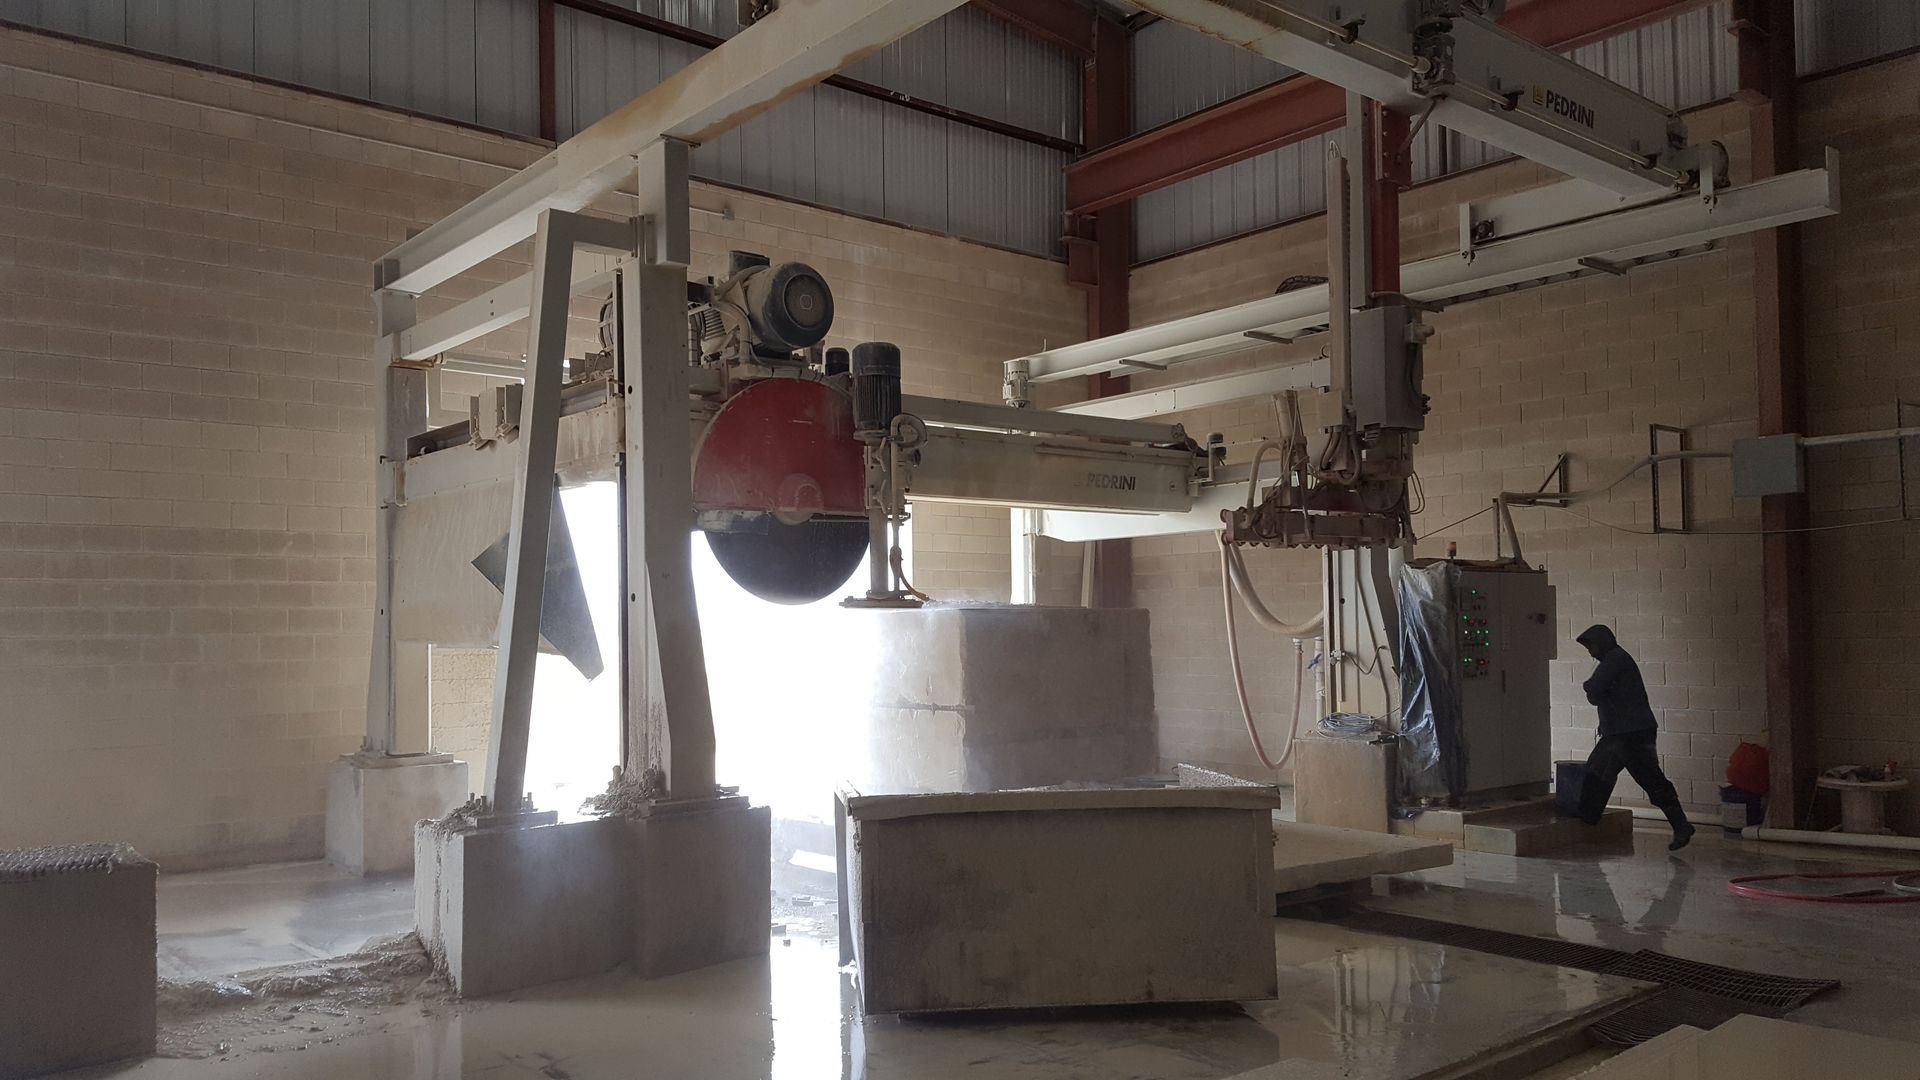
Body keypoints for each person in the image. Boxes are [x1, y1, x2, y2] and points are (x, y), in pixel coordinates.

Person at [1574, 624, 1695, 851]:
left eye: (1590, 646)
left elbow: (1593, 687)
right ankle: (1587, 820)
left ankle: (1681, 825)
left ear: (1601, 643)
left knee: (1644, 778)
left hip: (1630, 733)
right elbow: (1596, 694)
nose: (1589, 651)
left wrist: (1591, 689)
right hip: (1623, 732)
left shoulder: (1614, 659)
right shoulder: (1616, 659)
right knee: (1599, 773)